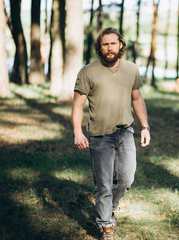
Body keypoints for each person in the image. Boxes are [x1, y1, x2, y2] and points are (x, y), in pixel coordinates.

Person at [71, 27, 151, 240]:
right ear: (99, 47)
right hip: (100, 136)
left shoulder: (131, 69)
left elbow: (137, 99)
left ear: (121, 45)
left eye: (113, 43)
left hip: (126, 132)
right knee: (104, 184)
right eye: (105, 44)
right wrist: (78, 132)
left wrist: (145, 127)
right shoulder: (88, 72)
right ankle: (106, 224)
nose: (109, 48)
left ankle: (108, 207)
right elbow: (77, 105)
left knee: (126, 180)